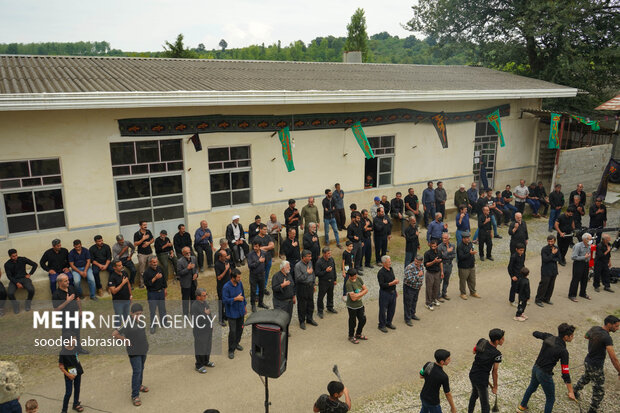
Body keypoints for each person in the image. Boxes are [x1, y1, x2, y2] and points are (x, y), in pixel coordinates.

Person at [517, 323, 576, 413]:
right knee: (550, 398)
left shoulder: (549, 337)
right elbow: (565, 372)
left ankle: (522, 406)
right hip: (545, 374)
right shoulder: (563, 351)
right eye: (571, 335)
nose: (573, 337)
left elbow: (535, 333)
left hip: (535, 368)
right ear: (566, 337)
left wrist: (537, 333)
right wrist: (571, 391)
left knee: (532, 387)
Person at [573, 315, 620, 413]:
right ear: (609, 324)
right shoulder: (607, 338)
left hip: (588, 361)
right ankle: (592, 410)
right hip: (596, 366)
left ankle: (574, 391)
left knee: (586, 377)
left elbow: (586, 336)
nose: (617, 328)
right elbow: (613, 358)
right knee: (599, 390)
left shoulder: (595, 328)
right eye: (616, 326)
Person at [112, 303, 150, 407]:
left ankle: (139, 385)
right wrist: (125, 340)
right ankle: (135, 395)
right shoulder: (127, 322)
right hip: (134, 351)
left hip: (143, 349)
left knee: (141, 368)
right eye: (137, 314)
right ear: (131, 313)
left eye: (141, 313)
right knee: (137, 371)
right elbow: (114, 334)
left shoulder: (141, 320)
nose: (139, 315)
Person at [467, 329, 504, 413]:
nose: (504, 340)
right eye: (502, 339)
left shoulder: (482, 341)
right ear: (497, 341)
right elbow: (494, 372)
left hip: (472, 374)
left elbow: (474, 351)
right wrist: (495, 387)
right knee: (485, 405)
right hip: (482, 380)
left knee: (475, 394)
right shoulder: (497, 354)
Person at [53, 274, 86, 355]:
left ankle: (78, 349)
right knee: (67, 335)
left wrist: (80, 311)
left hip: (75, 315)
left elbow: (77, 299)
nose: (68, 282)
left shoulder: (71, 288)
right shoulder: (56, 294)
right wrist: (67, 301)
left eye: (68, 280)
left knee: (77, 333)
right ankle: (67, 352)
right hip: (65, 318)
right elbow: (56, 309)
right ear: (60, 282)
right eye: (65, 281)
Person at [222, 269, 246, 359]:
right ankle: (231, 350)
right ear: (233, 278)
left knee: (240, 329)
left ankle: (236, 343)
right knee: (233, 331)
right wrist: (235, 299)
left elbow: (243, 295)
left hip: (240, 311)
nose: (240, 278)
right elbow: (224, 300)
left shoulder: (240, 283)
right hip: (232, 313)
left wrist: (244, 306)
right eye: (238, 277)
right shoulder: (226, 287)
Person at [4, 249, 37, 314]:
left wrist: (30, 274)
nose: (15, 257)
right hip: (14, 280)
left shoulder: (22, 259)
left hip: (24, 278)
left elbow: (35, 265)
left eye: (16, 255)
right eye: (13, 256)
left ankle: (28, 302)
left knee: (31, 289)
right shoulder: (7, 264)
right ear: (10, 256)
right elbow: (9, 276)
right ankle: (15, 305)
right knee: (10, 293)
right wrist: (16, 283)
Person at [58, 334, 84, 413]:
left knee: (77, 388)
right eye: (73, 340)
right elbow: (61, 366)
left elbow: (76, 357)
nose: (75, 341)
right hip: (69, 373)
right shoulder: (63, 352)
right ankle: (64, 410)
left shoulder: (76, 348)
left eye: (75, 339)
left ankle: (75, 404)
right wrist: (68, 375)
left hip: (77, 371)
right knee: (68, 392)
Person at [191, 288, 215, 373]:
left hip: (208, 329)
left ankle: (206, 361)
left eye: (206, 295)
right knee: (200, 347)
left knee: (208, 346)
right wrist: (205, 314)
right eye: (203, 295)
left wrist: (211, 324)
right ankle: (199, 365)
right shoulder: (194, 306)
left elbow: (209, 314)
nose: (205, 297)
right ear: (198, 297)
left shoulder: (205, 303)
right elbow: (197, 320)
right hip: (200, 331)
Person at [143, 256, 167, 334]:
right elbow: (147, 284)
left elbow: (164, 280)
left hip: (161, 292)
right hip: (152, 293)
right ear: (150, 263)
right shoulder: (146, 272)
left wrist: (165, 289)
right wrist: (155, 278)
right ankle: (153, 325)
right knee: (153, 310)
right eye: (153, 262)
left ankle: (164, 322)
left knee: (162, 309)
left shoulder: (160, 269)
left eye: (156, 262)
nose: (155, 264)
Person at [535, 235, 561, 307]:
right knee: (543, 285)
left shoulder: (556, 248)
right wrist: (552, 254)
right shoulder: (544, 249)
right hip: (546, 270)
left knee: (551, 285)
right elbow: (545, 260)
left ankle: (547, 298)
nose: (550, 243)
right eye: (549, 241)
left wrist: (551, 258)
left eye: (551, 241)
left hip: (553, 270)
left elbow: (559, 258)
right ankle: (538, 299)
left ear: (554, 241)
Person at [272, 260, 295, 335]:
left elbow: (292, 286)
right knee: (280, 318)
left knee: (288, 317)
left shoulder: (289, 275)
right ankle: (280, 333)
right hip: (280, 302)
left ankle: (286, 331)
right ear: (283, 268)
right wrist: (282, 285)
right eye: (288, 267)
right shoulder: (276, 276)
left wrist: (293, 296)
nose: (290, 268)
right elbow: (274, 288)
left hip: (289, 301)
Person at [295, 250, 317, 329]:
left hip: (310, 286)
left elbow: (313, 273)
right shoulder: (298, 266)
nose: (310, 258)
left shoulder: (310, 263)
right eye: (309, 257)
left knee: (310, 303)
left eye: (311, 256)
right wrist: (307, 273)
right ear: (303, 257)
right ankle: (301, 321)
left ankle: (309, 318)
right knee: (302, 305)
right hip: (302, 287)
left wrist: (314, 284)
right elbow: (298, 279)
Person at [345, 268, 368, 344]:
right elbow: (353, 298)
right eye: (353, 276)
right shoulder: (348, 283)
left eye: (355, 275)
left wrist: (358, 295)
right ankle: (351, 336)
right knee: (352, 321)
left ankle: (358, 333)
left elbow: (366, 289)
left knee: (363, 319)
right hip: (352, 306)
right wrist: (362, 293)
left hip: (360, 304)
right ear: (350, 276)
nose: (355, 277)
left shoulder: (359, 279)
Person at [377, 255, 398, 333]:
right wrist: (392, 283)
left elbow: (393, 279)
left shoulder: (391, 269)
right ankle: (381, 325)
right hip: (384, 294)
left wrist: (395, 290)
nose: (390, 263)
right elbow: (382, 285)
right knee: (383, 310)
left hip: (392, 293)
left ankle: (389, 322)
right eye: (389, 262)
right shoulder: (381, 273)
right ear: (384, 263)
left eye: (390, 261)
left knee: (392, 309)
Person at [569, 232, 592, 302]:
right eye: (589, 239)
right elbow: (573, 257)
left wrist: (588, 262)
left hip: (586, 264)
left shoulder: (589, 246)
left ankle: (583, 293)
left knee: (585, 279)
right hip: (578, 264)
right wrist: (584, 257)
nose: (591, 241)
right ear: (585, 239)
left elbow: (589, 255)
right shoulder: (578, 246)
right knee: (576, 279)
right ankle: (572, 295)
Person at [108, 260, 132, 326]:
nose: (121, 266)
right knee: (118, 318)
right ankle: (117, 332)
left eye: (121, 265)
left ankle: (126, 331)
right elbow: (113, 291)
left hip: (127, 299)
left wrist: (130, 295)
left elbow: (128, 284)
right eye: (119, 265)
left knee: (127, 317)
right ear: (114, 267)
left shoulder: (125, 273)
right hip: (118, 302)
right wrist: (122, 283)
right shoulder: (112, 278)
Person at [253, 223, 275, 296]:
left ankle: (264, 288)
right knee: (259, 276)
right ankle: (257, 292)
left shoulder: (268, 236)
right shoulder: (256, 238)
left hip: (268, 259)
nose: (266, 231)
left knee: (266, 274)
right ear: (260, 229)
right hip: (260, 260)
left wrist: (263, 248)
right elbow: (256, 249)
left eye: (266, 229)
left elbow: (272, 246)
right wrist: (267, 247)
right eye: (264, 229)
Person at [315, 247, 337, 318]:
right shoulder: (319, 262)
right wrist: (326, 271)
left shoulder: (331, 259)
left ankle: (330, 307)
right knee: (321, 297)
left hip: (331, 281)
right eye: (328, 253)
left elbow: (334, 270)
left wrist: (335, 279)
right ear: (324, 254)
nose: (330, 254)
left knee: (330, 295)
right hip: (323, 282)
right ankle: (320, 311)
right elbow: (317, 273)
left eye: (330, 253)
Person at [247, 242, 268, 312]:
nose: (255, 248)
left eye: (256, 246)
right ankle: (253, 304)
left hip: (262, 275)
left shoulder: (263, 253)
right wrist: (258, 261)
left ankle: (260, 302)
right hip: (254, 275)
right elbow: (250, 265)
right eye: (254, 246)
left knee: (262, 289)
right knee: (253, 290)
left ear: (260, 246)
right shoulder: (250, 255)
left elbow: (266, 262)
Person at [177, 246, 199, 316]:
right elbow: (179, 273)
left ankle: (193, 312)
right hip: (185, 284)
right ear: (183, 253)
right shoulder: (180, 261)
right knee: (185, 300)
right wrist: (187, 268)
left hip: (193, 283)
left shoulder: (193, 258)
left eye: (189, 252)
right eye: (186, 253)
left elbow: (196, 268)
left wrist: (196, 274)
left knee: (193, 298)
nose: (189, 254)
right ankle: (185, 314)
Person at [403, 255, 423, 326]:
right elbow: (410, 279)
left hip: (416, 287)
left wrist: (420, 285)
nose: (416, 263)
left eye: (418, 262)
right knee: (408, 303)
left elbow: (422, 276)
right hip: (409, 288)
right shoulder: (409, 267)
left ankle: (412, 314)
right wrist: (418, 275)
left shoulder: (421, 266)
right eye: (416, 261)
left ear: (421, 262)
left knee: (414, 301)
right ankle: (407, 319)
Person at [457, 232, 479, 300]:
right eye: (467, 238)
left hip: (471, 265)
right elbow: (460, 257)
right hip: (463, 267)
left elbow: (472, 252)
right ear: (463, 239)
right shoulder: (460, 246)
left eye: (469, 237)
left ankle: (473, 292)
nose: (468, 239)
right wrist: (469, 254)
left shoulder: (470, 244)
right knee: (463, 281)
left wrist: (473, 260)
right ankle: (462, 293)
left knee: (472, 280)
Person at [133, 220, 154, 289]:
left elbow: (153, 239)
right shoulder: (137, 234)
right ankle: (142, 284)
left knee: (150, 268)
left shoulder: (148, 231)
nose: (145, 226)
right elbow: (135, 244)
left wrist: (148, 243)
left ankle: (150, 282)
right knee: (142, 270)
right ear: (140, 226)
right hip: (141, 254)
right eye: (144, 225)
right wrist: (143, 239)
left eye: (146, 224)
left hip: (149, 252)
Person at [214, 249, 232, 327]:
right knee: (221, 303)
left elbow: (230, 271)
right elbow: (219, 277)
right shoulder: (217, 264)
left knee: (227, 301)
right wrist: (226, 269)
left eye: (226, 256)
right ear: (220, 257)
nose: (226, 257)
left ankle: (226, 315)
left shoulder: (226, 262)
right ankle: (220, 319)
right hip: (221, 287)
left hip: (228, 285)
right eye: (224, 256)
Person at [423, 240, 442, 311]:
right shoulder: (427, 253)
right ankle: (428, 302)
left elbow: (441, 262)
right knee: (429, 288)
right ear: (430, 245)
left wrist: (442, 272)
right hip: (430, 273)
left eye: (435, 246)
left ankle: (434, 299)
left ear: (437, 246)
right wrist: (434, 261)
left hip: (437, 272)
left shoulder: (439, 252)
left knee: (436, 287)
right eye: (432, 246)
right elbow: (426, 264)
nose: (433, 247)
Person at [437, 233, 455, 301]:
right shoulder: (440, 246)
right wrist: (447, 251)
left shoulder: (452, 245)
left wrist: (445, 254)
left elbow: (454, 255)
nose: (444, 240)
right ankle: (438, 295)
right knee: (439, 281)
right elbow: (440, 257)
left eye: (445, 238)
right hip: (442, 265)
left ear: (448, 239)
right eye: (443, 238)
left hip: (449, 265)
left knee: (446, 280)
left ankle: (444, 293)